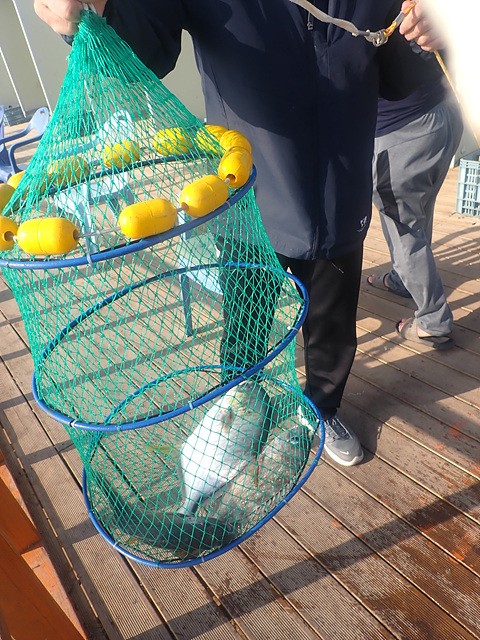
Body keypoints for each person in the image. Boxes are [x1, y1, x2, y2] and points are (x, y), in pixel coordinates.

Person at [34, 0, 441, 467]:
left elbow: (397, 78)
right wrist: (92, 17)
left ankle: (322, 411)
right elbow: (144, 50)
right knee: (246, 325)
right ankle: (239, 408)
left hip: (342, 199)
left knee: (333, 327)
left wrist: (426, 38)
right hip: (250, 202)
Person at [367, 52, 463, 349]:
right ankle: (401, 280)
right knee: (419, 208)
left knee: (403, 228)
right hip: (444, 115)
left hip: (403, 133)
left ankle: (434, 322)